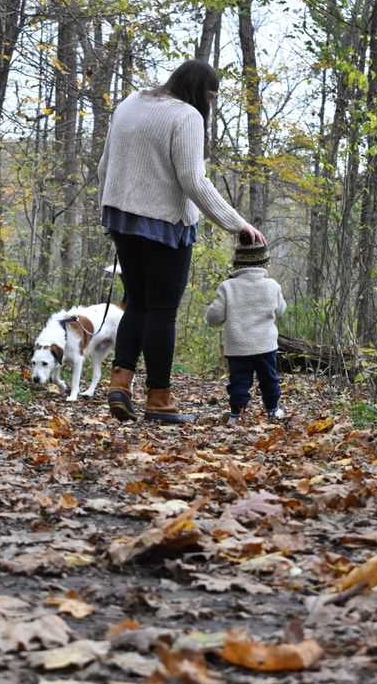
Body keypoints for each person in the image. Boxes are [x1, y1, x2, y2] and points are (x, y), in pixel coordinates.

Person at [97, 59, 266, 425]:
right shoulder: (185, 116)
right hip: (164, 224)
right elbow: (194, 179)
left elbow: (104, 166)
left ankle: (120, 384)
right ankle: (159, 400)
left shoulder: (129, 104)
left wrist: (106, 215)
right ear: (199, 92)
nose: (209, 105)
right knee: (161, 311)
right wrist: (237, 224)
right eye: (209, 97)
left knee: (137, 303)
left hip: (122, 217)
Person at [206, 233, 287, 422]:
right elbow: (281, 310)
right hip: (265, 345)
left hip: (238, 346)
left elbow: (214, 317)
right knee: (269, 380)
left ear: (237, 262)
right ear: (264, 263)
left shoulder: (228, 287)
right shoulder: (272, 286)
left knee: (239, 381)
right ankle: (273, 409)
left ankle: (237, 413)